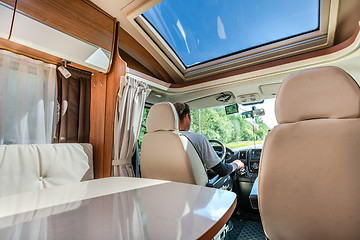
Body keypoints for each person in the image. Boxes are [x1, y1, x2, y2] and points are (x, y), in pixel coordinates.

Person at [173, 102, 244, 176]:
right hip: (196, 187)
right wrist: (236, 164)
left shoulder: (161, 141)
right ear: (187, 117)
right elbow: (223, 171)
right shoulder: (198, 139)